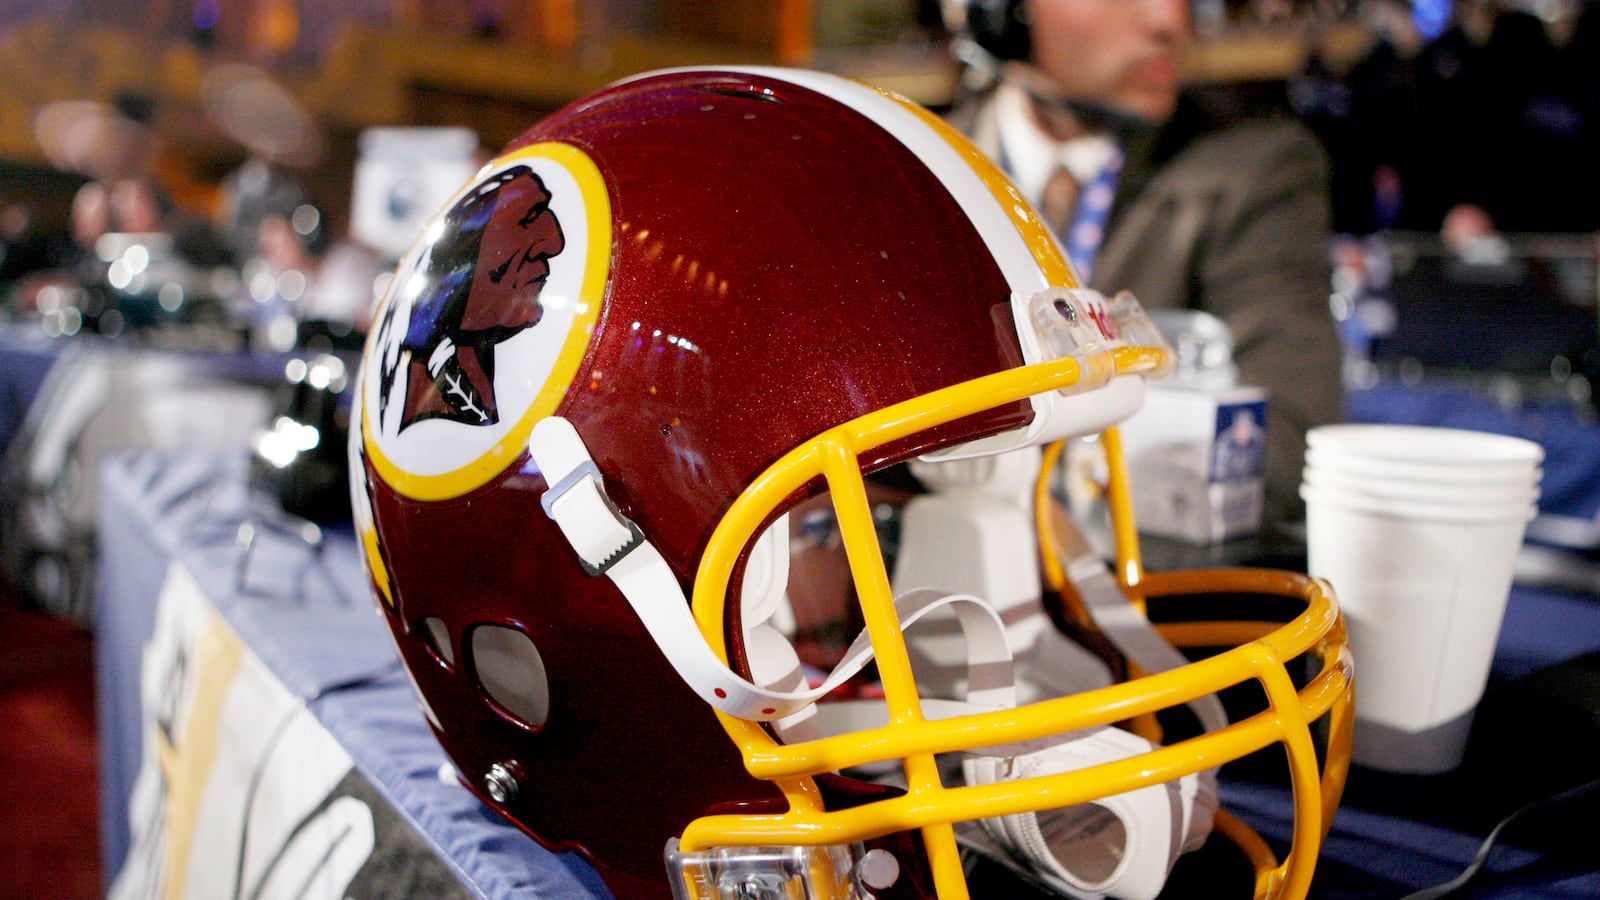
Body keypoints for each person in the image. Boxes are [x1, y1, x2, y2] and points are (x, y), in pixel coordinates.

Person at [944, 0, 1343, 525]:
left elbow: (1283, 443)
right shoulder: (911, 172)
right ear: (998, 11)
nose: (1169, 22)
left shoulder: (1257, 168)